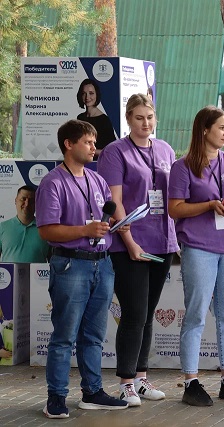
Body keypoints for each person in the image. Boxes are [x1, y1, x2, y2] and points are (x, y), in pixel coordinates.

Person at [36, 120, 129, 418]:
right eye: (88, 142)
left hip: (102, 264)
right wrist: (84, 230)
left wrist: (114, 225)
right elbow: (47, 230)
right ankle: (56, 397)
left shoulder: (97, 180)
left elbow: (104, 216)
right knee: (65, 335)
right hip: (70, 264)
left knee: (94, 335)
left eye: (94, 142)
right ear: (69, 144)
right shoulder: (53, 182)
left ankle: (92, 392)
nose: (93, 147)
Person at [97, 94, 178, 406]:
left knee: (147, 315)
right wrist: (130, 242)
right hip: (129, 243)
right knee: (133, 313)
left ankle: (142, 379)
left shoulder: (166, 149)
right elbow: (115, 202)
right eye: (139, 117)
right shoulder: (115, 152)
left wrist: (177, 239)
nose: (146, 123)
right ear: (128, 119)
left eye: (150, 117)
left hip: (162, 241)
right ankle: (126, 383)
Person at [168, 106, 224, 406]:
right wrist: (208, 205)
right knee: (196, 312)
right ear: (204, 129)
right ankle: (191, 381)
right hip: (199, 246)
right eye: (222, 127)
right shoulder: (182, 166)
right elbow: (174, 208)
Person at [0, 185, 49, 262]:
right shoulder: (2, 227)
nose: (27, 204)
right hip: (8, 271)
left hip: (38, 270)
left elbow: (53, 261)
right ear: (16, 201)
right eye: (23, 199)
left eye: (31, 201)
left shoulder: (46, 230)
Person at [76, 78, 116, 158]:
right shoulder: (80, 118)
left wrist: (89, 150)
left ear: (96, 95)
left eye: (91, 93)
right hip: (82, 161)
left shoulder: (104, 120)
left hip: (99, 162)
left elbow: (111, 151)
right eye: (84, 93)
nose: (87, 97)